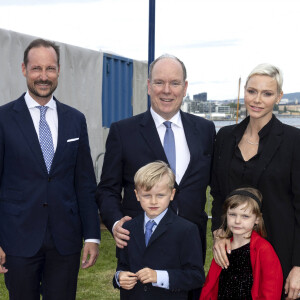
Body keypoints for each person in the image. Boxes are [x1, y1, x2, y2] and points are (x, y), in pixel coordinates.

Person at [97, 54, 215, 299]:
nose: (167, 90)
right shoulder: (124, 131)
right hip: (141, 248)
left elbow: (217, 185)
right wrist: (116, 223)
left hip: (189, 246)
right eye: (160, 82)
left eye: (174, 83)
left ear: (185, 87)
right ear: (149, 86)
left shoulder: (204, 130)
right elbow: (107, 189)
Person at [0, 39, 100, 299]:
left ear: (58, 71)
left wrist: (92, 235)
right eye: (36, 69)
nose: (43, 76)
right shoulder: (3, 119)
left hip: (65, 241)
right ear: (24, 69)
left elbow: (85, 183)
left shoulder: (75, 120)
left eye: (50, 68)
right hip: (17, 240)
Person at [210, 63, 300, 299]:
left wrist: (299, 266)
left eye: (267, 93)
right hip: (233, 254)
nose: (257, 99)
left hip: (279, 254)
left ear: (279, 97)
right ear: (244, 92)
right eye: (252, 91)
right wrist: (218, 234)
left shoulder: (294, 141)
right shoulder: (225, 137)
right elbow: (218, 194)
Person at [113, 161, 205, 299]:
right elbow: (122, 265)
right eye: (147, 195)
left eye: (160, 195)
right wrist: (119, 277)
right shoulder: (127, 228)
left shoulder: (187, 230)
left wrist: (159, 276)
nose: (154, 201)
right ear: (137, 195)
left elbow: (196, 276)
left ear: (172, 194)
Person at [200, 187, 283, 300]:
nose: (237, 221)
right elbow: (210, 285)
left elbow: (272, 289)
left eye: (245, 216)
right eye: (232, 214)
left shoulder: (263, 249)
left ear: (257, 219)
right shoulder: (223, 248)